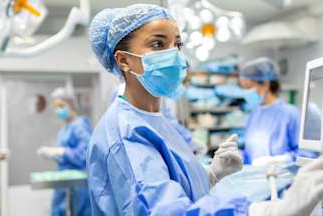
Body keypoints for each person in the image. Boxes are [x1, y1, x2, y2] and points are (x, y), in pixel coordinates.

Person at [87, 4, 323, 215]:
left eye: (177, 44)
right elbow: (163, 209)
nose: (174, 54)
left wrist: (211, 174)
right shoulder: (126, 133)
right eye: (158, 44)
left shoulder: (153, 120)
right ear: (124, 60)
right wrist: (261, 211)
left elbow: (175, 187)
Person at [239, 57, 318, 165]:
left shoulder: (291, 114)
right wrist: (238, 157)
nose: (245, 92)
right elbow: (250, 151)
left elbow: (309, 154)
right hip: (255, 178)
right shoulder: (254, 114)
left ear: (266, 84)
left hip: (281, 179)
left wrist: (282, 159)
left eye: (248, 87)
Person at [37, 87, 91, 216]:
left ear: (71, 105)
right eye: (56, 107)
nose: (58, 110)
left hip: (79, 183)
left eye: (61, 105)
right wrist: (52, 154)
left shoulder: (80, 125)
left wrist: (61, 152)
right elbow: (65, 157)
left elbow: (86, 154)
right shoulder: (64, 128)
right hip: (65, 180)